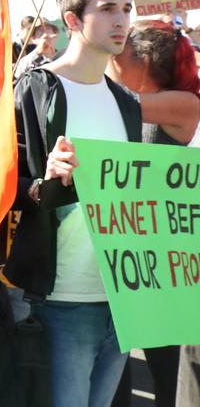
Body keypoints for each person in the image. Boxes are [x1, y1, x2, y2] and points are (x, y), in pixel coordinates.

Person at [5, 0, 141, 407]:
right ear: (72, 20)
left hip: (124, 297)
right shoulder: (36, 88)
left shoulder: (126, 102)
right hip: (59, 297)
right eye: (107, 9)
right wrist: (43, 182)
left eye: (126, 8)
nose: (121, 20)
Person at [106, 20, 200, 407]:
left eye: (120, 53)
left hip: (170, 265)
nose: (112, 59)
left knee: (170, 375)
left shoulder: (183, 103)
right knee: (126, 371)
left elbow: (115, 100)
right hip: (135, 258)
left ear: (142, 61)